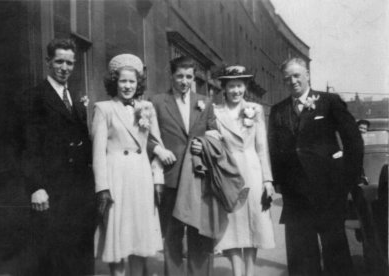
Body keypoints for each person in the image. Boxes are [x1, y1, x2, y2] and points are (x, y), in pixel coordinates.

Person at [268, 57, 364, 275]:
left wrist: (348, 179)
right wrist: (280, 184)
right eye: (287, 78)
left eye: (296, 75)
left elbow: (353, 141)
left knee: (335, 252)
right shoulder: (278, 111)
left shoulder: (329, 102)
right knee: (301, 256)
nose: (292, 81)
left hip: (329, 191)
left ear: (307, 75)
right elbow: (274, 151)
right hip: (296, 196)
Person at [19, 38, 95, 275]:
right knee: (54, 257)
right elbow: (25, 146)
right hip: (52, 189)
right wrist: (36, 186)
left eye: (70, 63)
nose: (65, 68)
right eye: (59, 61)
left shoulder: (75, 98)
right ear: (48, 62)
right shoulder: (33, 96)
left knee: (80, 255)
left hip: (80, 190)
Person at [92, 54, 166, 276]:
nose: (127, 86)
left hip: (141, 177)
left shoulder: (147, 107)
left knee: (139, 238)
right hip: (116, 177)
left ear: (139, 83)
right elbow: (98, 152)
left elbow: (156, 146)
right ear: (114, 82)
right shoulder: (103, 108)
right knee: (118, 238)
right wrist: (102, 187)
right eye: (123, 81)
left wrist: (158, 179)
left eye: (132, 81)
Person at [150, 56, 216, 276]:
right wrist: (158, 150)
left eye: (189, 77)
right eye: (180, 76)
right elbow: (146, 136)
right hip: (170, 176)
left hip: (198, 177)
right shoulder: (157, 101)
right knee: (172, 232)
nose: (184, 81)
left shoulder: (204, 102)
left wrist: (204, 144)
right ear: (171, 76)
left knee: (198, 232)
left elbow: (214, 135)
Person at [212, 65, 275, 276]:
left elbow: (262, 146)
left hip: (252, 170)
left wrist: (267, 180)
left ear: (245, 86)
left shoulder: (255, 110)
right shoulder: (215, 111)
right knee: (230, 224)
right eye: (231, 86)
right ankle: (237, 272)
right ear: (224, 88)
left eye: (239, 86)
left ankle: (249, 272)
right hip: (227, 170)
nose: (236, 91)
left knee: (252, 223)